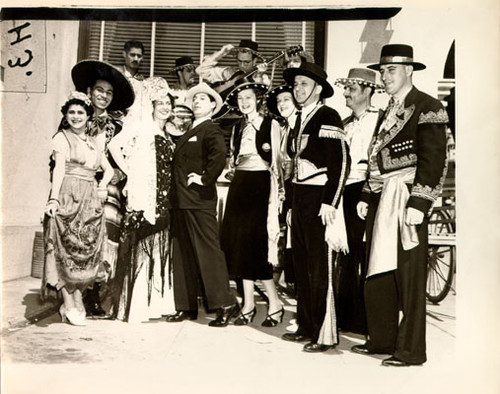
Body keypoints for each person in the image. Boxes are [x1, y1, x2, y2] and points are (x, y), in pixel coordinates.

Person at [351, 44, 448, 366]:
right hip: (382, 197)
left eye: (391, 70)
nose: (385, 76)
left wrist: (420, 201)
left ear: (409, 70)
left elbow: (433, 158)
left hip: (406, 197)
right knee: (377, 270)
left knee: (408, 278)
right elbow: (375, 158)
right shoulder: (389, 108)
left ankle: (410, 350)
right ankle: (381, 339)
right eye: (382, 70)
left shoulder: (427, 106)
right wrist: (366, 195)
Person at [281, 62, 350, 353]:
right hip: (300, 199)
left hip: (320, 199)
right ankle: (307, 326)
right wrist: (289, 204)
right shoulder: (298, 118)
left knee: (320, 268)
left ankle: (324, 334)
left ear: (318, 89)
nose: (298, 90)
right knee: (301, 265)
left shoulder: (328, 115)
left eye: (304, 85)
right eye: (296, 85)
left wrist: (329, 202)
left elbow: (341, 163)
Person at [167, 83, 239, 327]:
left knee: (208, 252)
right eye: (195, 98)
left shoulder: (211, 129)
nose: (197, 102)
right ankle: (186, 307)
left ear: (212, 106)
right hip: (180, 201)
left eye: (203, 99)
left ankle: (225, 305)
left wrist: (205, 178)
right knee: (183, 252)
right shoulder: (189, 129)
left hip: (199, 199)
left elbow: (219, 156)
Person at [107, 77, 177, 323]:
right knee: (142, 246)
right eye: (160, 103)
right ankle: (135, 306)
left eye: (168, 103)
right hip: (145, 196)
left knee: (158, 247)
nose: (166, 107)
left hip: (162, 196)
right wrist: (129, 171)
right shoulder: (141, 127)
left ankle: (154, 304)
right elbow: (115, 146)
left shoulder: (164, 131)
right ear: (151, 105)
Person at [41, 91, 114, 326]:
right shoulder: (62, 138)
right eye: (71, 112)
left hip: (90, 200)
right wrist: (53, 200)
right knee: (63, 248)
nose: (75, 116)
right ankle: (68, 302)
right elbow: (59, 170)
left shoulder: (94, 142)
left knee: (86, 250)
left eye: (80, 112)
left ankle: (78, 298)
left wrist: (102, 186)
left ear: (88, 116)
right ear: (65, 115)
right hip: (68, 195)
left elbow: (109, 170)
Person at [71, 59, 135, 317]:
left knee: (106, 240)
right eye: (99, 90)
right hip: (79, 187)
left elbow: (126, 161)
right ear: (89, 91)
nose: (104, 96)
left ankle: (95, 294)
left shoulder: (119, 128)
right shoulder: (74, 119)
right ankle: (77, 294)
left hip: (108, 190)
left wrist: (116, 176)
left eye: (109, 93)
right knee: (80, 238)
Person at [220, 78, 285, 327]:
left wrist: (278, 195)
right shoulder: (237, 127)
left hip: (261, 183)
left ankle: (274, 302)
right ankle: (247, 304)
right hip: (241, 184)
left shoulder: (271, 124)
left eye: (248, 97)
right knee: (238, 243)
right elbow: (233, 159)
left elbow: (278, 162)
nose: (244, 102)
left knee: (257, 244)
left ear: (257, 100)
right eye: (240, 99)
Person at [333, 68, 383, 334]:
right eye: (346, 88)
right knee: (347, 253)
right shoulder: (344, 123)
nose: (346, 94)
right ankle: (346, 314)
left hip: (370, 190)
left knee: (367, 252)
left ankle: (368, 318)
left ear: (368, 91)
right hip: (346, 190)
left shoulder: (380, 120)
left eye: (352, 89)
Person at [265, 84, 298, 294]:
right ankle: (288, 278)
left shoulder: (299, 124)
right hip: (286, 186)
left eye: (286, 99)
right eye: (279, 101)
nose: (282, 104)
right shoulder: (283, 127)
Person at [196, 39, 270, 97]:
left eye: (246, 62)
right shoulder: (229, 72)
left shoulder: (264, 79)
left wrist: (259, 77)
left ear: (254, 61)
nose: (242, 65)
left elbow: (261, 97)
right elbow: (201, 70)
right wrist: (220, 53)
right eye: (239, 61)